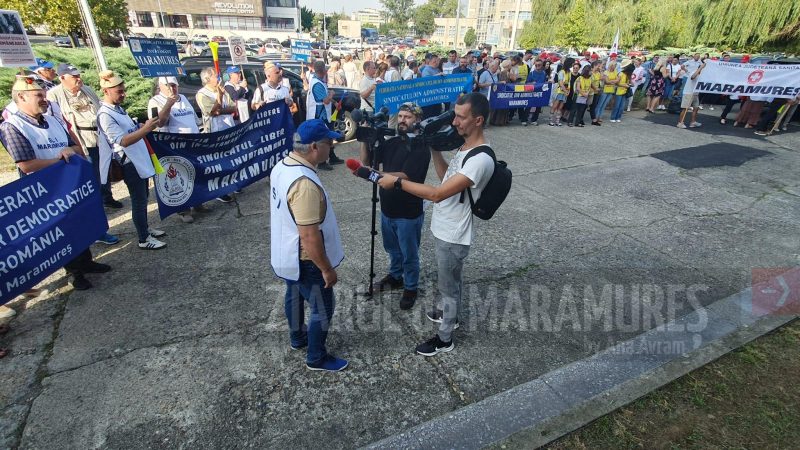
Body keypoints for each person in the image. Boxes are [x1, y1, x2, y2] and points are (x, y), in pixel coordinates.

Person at [376, 93, 495, 356]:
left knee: (448, 288)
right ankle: (449, 316)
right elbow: (444, 180)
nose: (454, 122)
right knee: (452, 282)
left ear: (478, 120)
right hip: (445, 227)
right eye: (454, 115)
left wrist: (396, 182)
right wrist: (434, 147)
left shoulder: (480, 159)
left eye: (461, 117)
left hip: (454, 233)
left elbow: (436, 194)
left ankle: (444, 339)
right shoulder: (465, 149)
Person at [0, 75, 112, 289]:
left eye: (44, 95)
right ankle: (74, 273)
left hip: (68, 187)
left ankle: (86, 262)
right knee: (61, 231)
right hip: (44, 193)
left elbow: (77, 149)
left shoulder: (52, 120)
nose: (45, 99)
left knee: (78, 223)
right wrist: (59, 160)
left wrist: (71, 151)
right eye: (38, 96)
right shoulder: (12, 127)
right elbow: (26, 165)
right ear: (21, 97)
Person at [270, 119, 348, 372]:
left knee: (293, 294)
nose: (332, 147)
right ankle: (316, 357)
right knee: (322, 307)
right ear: (315, 146)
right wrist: (326, 268)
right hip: (306, 259)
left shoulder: (283, 165)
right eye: (329, 143)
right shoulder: (304, 184)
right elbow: (309, 236)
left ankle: (298, 338)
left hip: (286, 252)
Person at [358, 102, 429, 308]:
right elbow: (368, 162)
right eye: (400, 117)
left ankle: (411, 286)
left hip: (408, 211)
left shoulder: (421, 146)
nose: (402, 121)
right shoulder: (393, 142)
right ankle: (396, 276)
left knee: (409, 253)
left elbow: (405, 176)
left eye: (407, 117)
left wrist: (375, 175)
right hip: (387, 208)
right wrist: (366, 138)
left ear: (417, 120)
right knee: (392, 249)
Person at [96, 70, 167, 250]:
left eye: (123, 90)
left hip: (138, 159)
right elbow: (123, 140)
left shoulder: (119, 110)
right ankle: (143, 238)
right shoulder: (105, 114)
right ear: (106, 91)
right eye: (119, 91)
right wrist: (146, 129)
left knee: (143, 197)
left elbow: (129, 131)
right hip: (129, 162)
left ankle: (145, 228)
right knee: (139, 199)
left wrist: (140, 126)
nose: (123, 94)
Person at [47, 63, 124, 219]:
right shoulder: (54, 95)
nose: (78, 79)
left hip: (98, 135)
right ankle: (94, 202)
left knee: (104, 167)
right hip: (81, 139)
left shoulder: (86, 90)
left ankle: (106, 197)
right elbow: (56, 121)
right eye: (74, 76)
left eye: (78, 75)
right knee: (90, 172)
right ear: (62, 78)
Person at [148, 76, 209, 223]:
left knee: (195, 173)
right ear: (161, 87)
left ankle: (198, 202)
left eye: (174, 85)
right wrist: (168, 104)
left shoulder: (182, 98)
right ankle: (183, 209)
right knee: (179, 177)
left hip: (192, 142)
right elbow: (158, 123)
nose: (173, 88)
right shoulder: (155, 101)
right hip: (173, 147)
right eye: (169, 86)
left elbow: (193, 118)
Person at [196, 67, 238, 202]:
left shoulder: (223, 90)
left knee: (231, 157)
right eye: (215, 76)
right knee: (218, 161)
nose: (218, 77)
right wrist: (219, 97)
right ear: (208, 79)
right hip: (215, 132)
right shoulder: (202, 94)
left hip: (228, 129)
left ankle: (233, 183)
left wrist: (222, 108)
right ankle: (220, 191)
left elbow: (233, 107)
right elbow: (214, 112)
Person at [307, 60, 343, 170]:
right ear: (323, 71)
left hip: (324, 114)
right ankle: (322, 162)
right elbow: (325, 100)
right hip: (320, 115)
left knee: (328, 135)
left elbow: (326, 97)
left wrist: (335, 102)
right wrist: (331, 94)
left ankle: (331, 156)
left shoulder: (319, 81)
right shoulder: (317, 84)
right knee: (322, 139)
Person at [677, 60, 705, 129]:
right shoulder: (694, 72)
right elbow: (693, 77)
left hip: (695, 93)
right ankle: (680, 122)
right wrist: (700, 68)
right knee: (685, 108)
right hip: (688, 93)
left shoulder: (701, 75)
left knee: (696, 108)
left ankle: (693, 122)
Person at [525, 59, 548, 125]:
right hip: (531, 92)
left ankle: (534, 120)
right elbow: (526, 83)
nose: (537, 66)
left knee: (538, 107)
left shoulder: (544, 73)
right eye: (536, 65)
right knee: (528, 106)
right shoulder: (531, 73)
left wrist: (548, 82)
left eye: (539, 65)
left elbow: (545, 82)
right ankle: (525, 119)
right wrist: (531, 83)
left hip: (540, 93)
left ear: (542, 65)